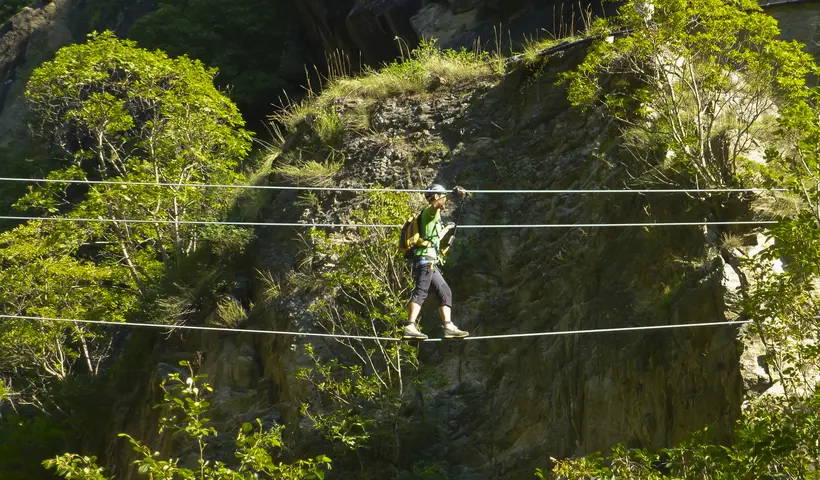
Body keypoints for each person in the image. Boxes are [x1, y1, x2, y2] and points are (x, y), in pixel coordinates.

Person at [403, 184, 469, 340]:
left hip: (431, 262)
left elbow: (434, 238)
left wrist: (445, 229)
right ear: (436, 196)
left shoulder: (434, 218)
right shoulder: (429, 211)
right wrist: (453, 194)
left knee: (445, 291)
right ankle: (409, 326)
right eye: (442, 196)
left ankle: (448, 327)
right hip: (425, 260)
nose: (444, 201)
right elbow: (437, 204)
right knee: (421, 291)